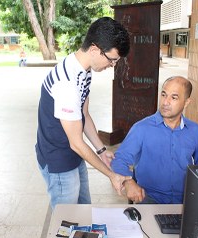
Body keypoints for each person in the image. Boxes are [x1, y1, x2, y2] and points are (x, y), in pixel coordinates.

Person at [35, 17, 131, 209]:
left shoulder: (83, 70)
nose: (113, 66)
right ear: (95, 49)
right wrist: (112, 175)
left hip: (73, 154)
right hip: (59, 160)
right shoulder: (68, 83)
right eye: (112, 60)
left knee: (84, 210)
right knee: (68, 222)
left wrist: (102, 151)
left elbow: (84, 114)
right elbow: (77, 143)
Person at [111, 76, 198, 204]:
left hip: (185, 200)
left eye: (174, 97)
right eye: (163, 94)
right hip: (149, 198)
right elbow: (120, 159)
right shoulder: (141, 128)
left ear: (186, 102)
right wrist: (128, 182)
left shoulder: (194, 130)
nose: (165, 102)